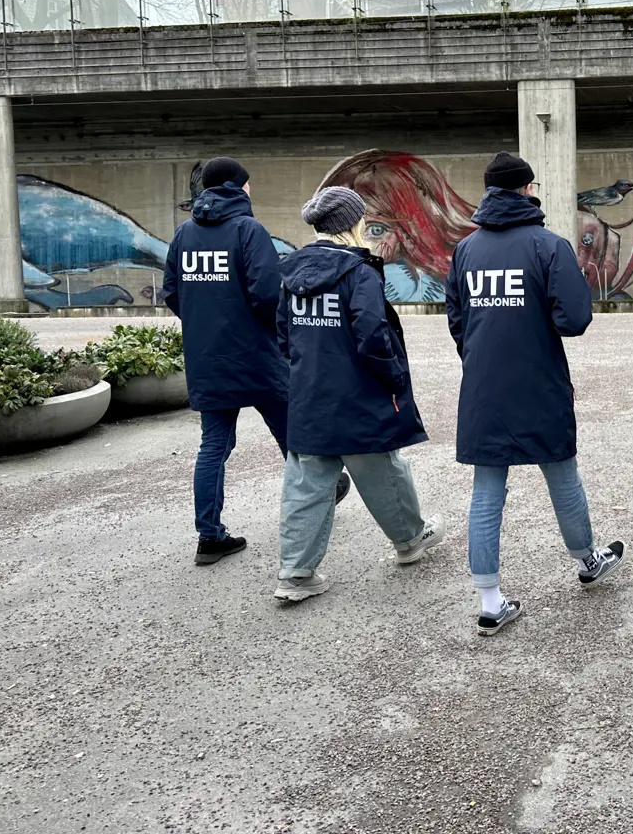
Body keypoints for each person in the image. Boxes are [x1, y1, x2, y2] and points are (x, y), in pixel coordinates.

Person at [445, 152, 625, 636]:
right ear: (527, 190)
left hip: (484, 383)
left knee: (487, 489)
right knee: (561, 471)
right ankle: (589, 559)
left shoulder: (466, 250)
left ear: (488, 193)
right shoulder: (549, 245)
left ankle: (489, 601)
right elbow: (575, 320)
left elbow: (457, 321)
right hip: (539, 377)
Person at [272, 186, 444, 601]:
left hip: (310, 395)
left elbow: (283, 334)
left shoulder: (291, 273)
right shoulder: (359, 272)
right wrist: (393, 380)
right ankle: (409, 541)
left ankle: (295, 575)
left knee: (306, 481)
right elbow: (372, 334)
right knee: (382, 469)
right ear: (352, 223)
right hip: (358, 394)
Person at [162, 157, 290, 566]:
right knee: (295, 440)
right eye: (248, 184)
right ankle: (318, 503)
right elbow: (269, 294)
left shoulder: (185, 233)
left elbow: (171, 292)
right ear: (238, 186)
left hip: (208, 357)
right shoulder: (248, 230)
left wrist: (204, 323)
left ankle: (209, 536)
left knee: (214, 445)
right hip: (256, 355)